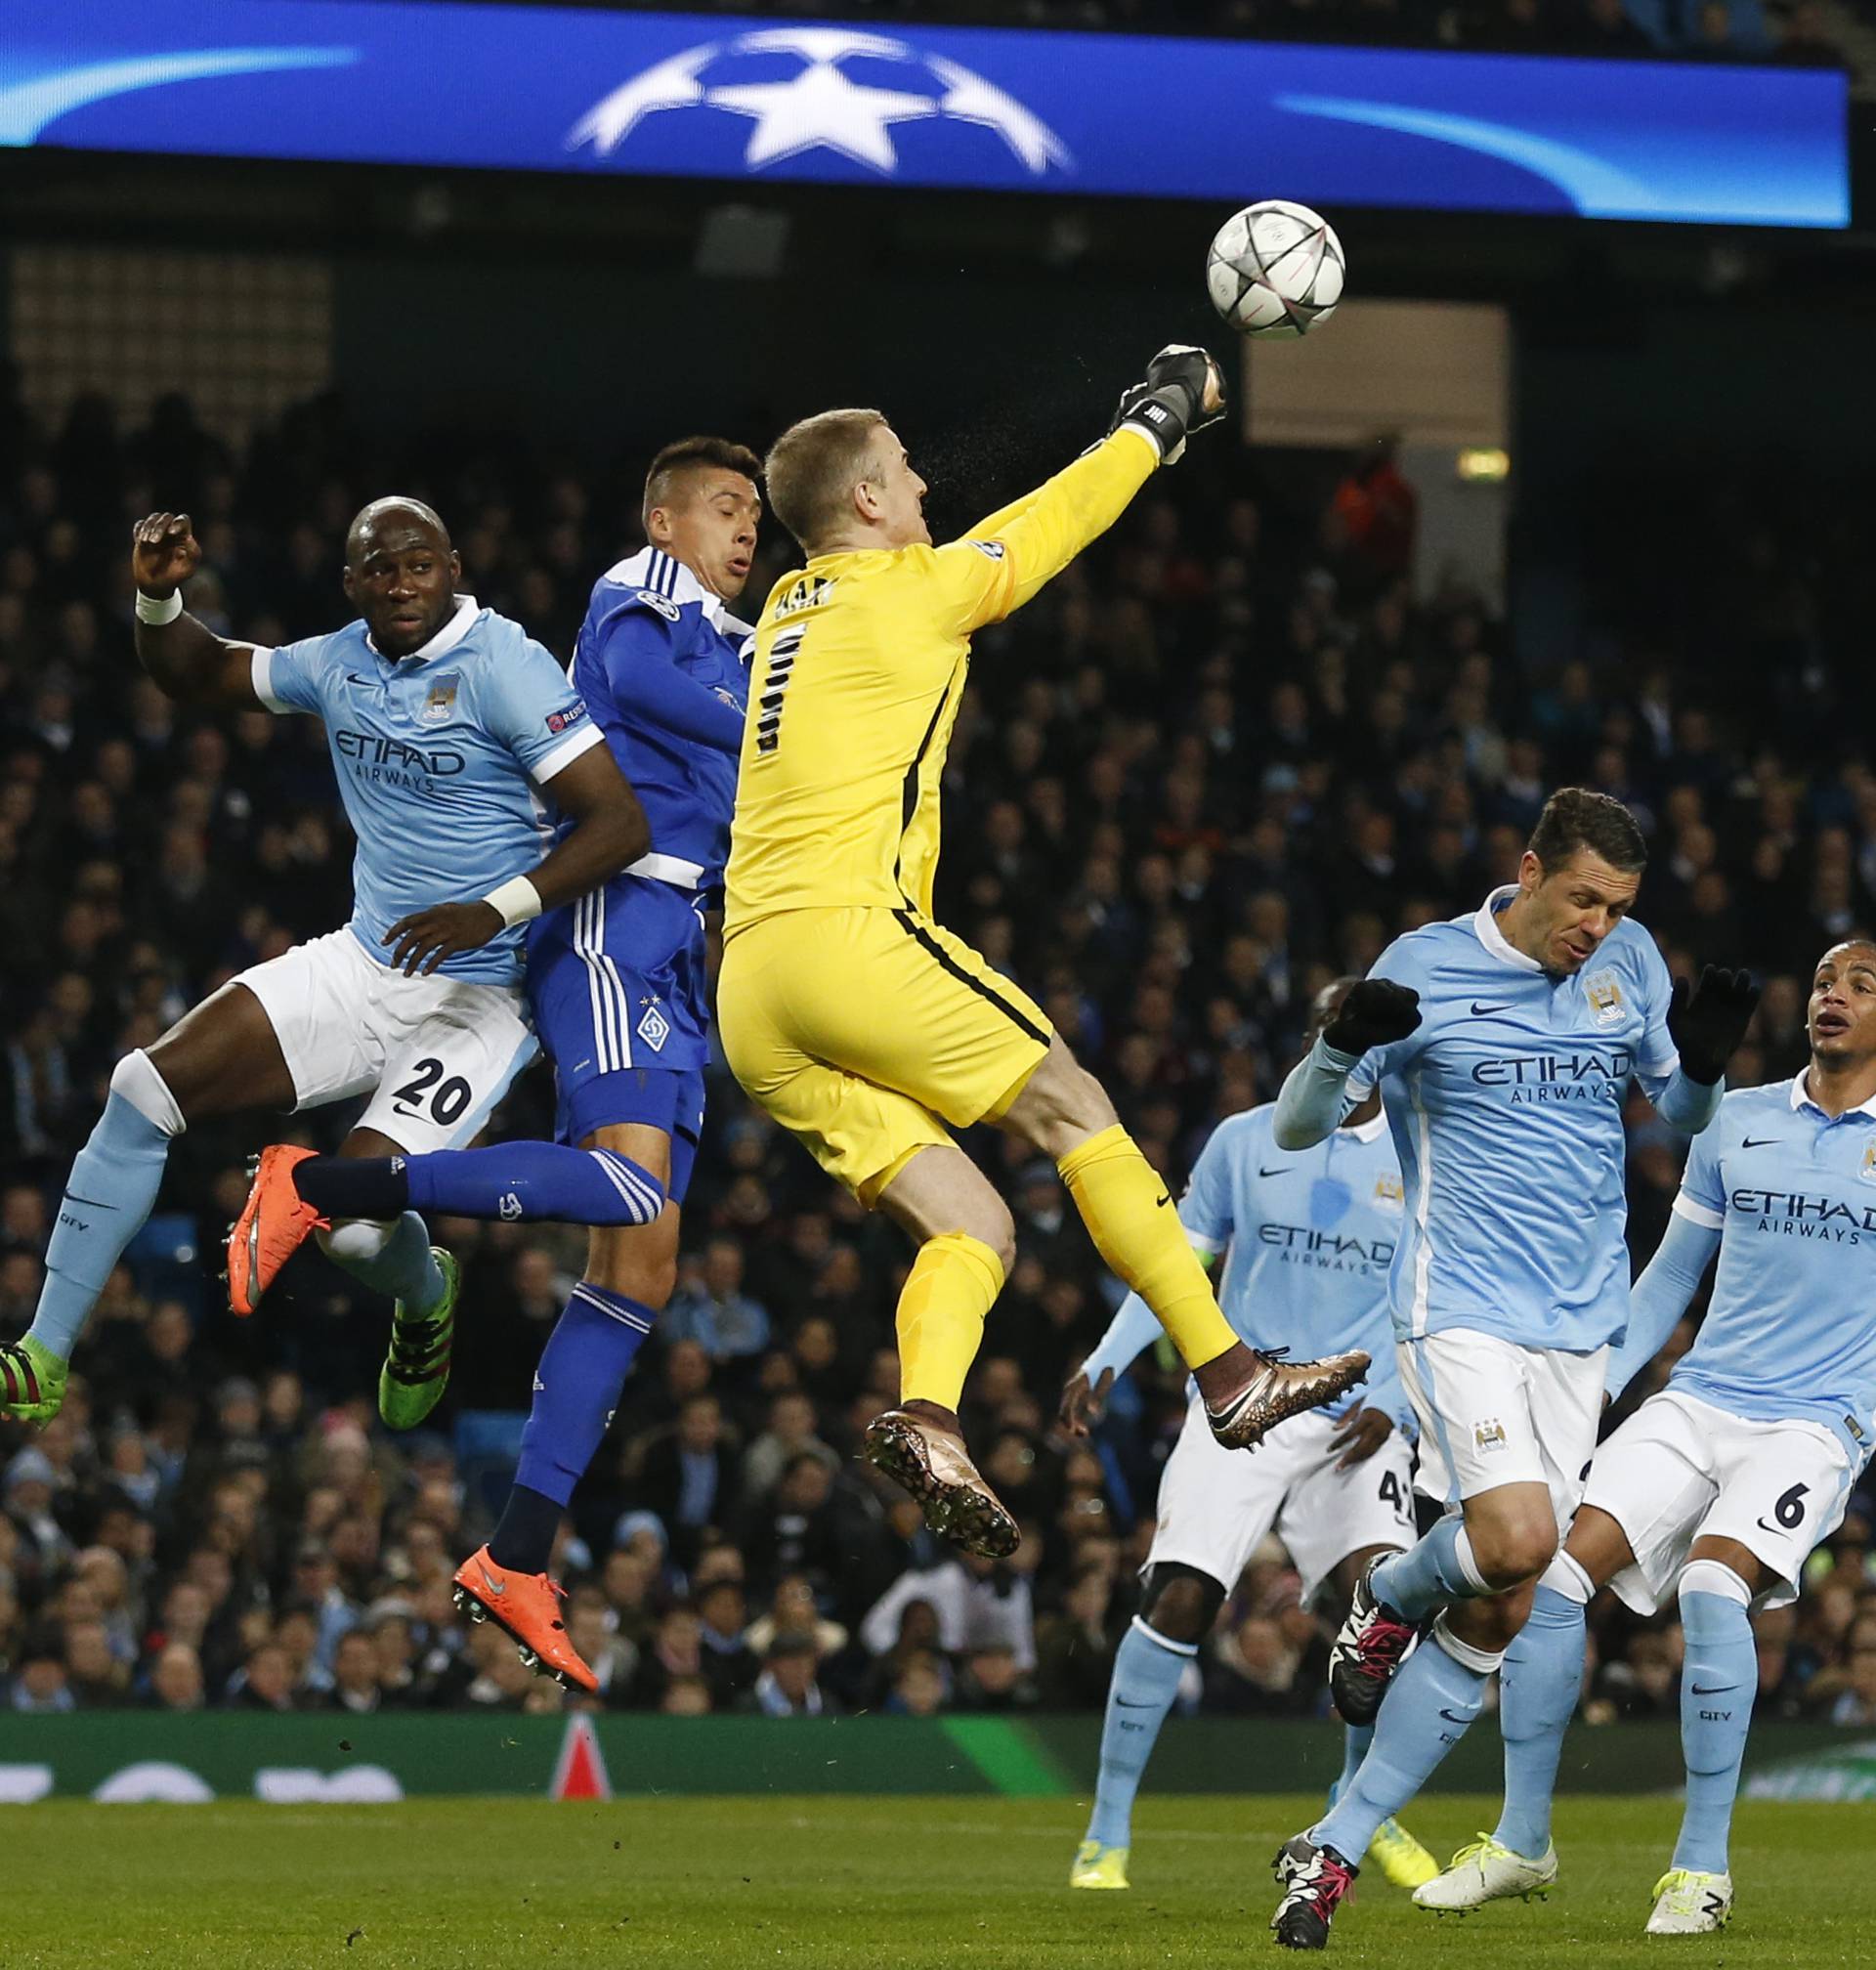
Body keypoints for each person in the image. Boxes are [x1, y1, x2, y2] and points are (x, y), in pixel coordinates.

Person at [716, 347, 1369, 1561]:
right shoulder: (901, 588)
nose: (921, 490)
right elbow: (1051, 526)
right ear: (863, 503)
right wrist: (1157, 423)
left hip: (752, 991)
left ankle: (929, 1417)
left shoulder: (783, 616)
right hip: (848, 936)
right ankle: (1229, 1373)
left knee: (973, 1225)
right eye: (904, 475)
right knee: (1076, 1109)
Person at [240, 441, 762, 1694]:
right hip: (612, 923)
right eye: (727, 508)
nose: (747, 532)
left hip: (682, 939)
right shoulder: (640, 596)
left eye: (757, 515)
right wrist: (801, 724)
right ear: (664, 514)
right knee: (629, 1194)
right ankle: (322, 1184)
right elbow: (661, 689)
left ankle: (518, 1554)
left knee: (642, 1268)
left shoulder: (741, 635)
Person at [0, 501, 651, 1425]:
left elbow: (621, 823)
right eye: (380, 570)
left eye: (420, 565)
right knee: (142, 1088)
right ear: (352, 584)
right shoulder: (338, 660)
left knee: (351, 1233)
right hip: (364, 962)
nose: (401, 584)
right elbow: (202, 669)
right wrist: (157, 600)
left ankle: (426, 1293)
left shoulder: (505, 664)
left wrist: (493, 909)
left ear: (455, 567)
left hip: (483, 994)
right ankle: (43, 1355)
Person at [1263, 787, 1758, 1949]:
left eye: (1620, 905)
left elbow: (1678, 1114)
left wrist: (1711, 1062)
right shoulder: (1424, 967)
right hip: (1460, 1309)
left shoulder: (1630, 962)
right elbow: (1297, 1128)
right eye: (1584, 899)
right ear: (1530, 872)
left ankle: (1330, 1849)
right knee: (1521, 1540)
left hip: (1579, 1325)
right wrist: (1341, 1041)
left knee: (1506, 1604)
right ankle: (1384, 1601)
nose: (1599, 925)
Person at [1417, 939, 1876, 1936]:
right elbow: (1669, 1279)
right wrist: (1589, 1399)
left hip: (1814, 1419)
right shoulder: (1739, 1120)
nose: (1833, 995)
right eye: (1826, 980)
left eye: (1862, 984)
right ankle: (1522, 1842)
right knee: (1547, 1580)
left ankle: (1700, 1871)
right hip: (1700, 1396)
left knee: (1714, 1585)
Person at [1060, 980, 1434, 1895]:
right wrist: (1110, 1355)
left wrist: (1397, 1399)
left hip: (1356, 1419)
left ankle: (1358, 1813)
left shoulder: (1425, 1160)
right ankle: (1106, 1833)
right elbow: (1178, 1260)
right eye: (1326, 1032)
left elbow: (1430, 1298)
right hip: (1244, 1408)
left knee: (1375, 1602)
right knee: (1182, 1594)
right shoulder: (1244, 1139)